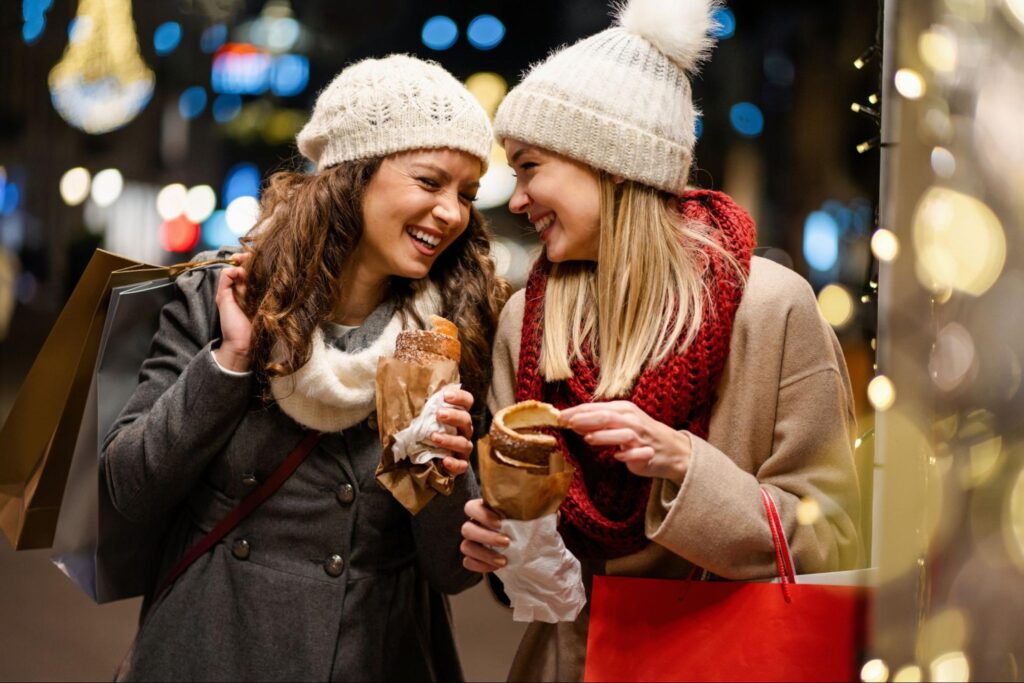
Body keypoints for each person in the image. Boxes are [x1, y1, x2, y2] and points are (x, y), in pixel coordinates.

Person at [459, 0, 862, 680]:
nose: (518, 198)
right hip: (571, 663)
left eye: (530, 167)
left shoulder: (768, 307)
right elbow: (528, 584)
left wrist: (684, 464)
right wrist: (500, 546)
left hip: (724, 658)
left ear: (610, 163)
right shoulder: (525, 319)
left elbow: (833, 538)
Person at [103, 54, 507, 681]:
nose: (453, 212)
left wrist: (438, 466)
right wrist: (230, 362)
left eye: (467, 194)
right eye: (431, 182)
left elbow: (451, 574)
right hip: (213, 645)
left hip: (375, 652)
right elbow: (130, 487)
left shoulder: (451, 331)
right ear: (353, 174)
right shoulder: (230, 292)